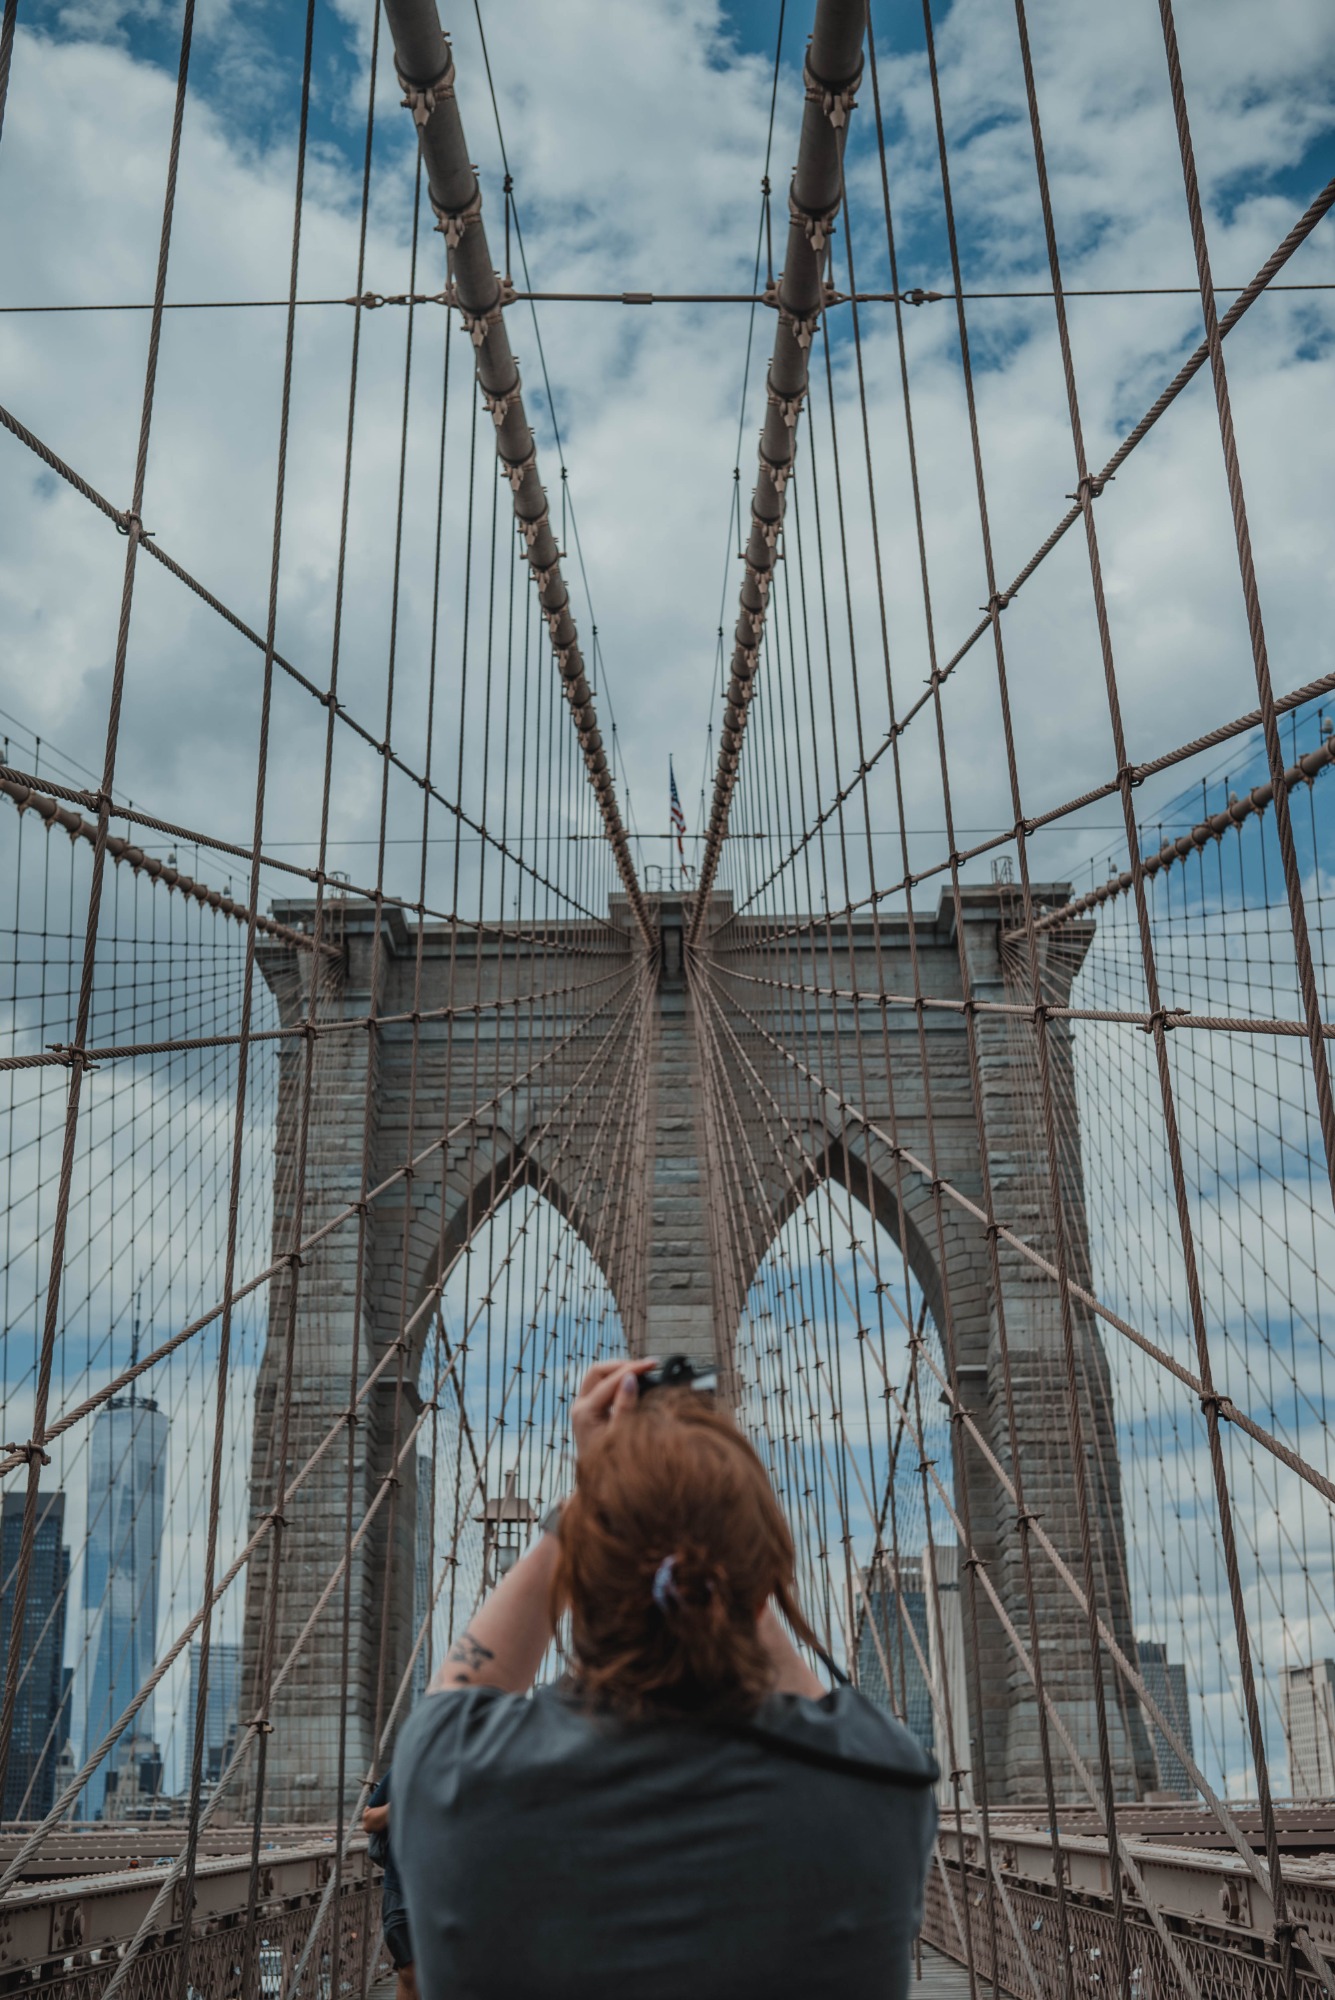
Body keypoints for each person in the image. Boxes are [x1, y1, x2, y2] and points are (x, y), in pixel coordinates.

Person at [394, 1357, 938, 2000]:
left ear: (579, 1581)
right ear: (758, 1578)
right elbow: (819, 1712)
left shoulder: (451, 1771)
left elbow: (460, 1683)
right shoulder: (882, 1782)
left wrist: (594, 1490)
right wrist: (711, 1524)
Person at [363, 1766, 415, 1999]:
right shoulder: (406, 1768)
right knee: (409, 1970)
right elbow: (369, 1820)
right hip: (402, 1885)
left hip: (452, 1885)